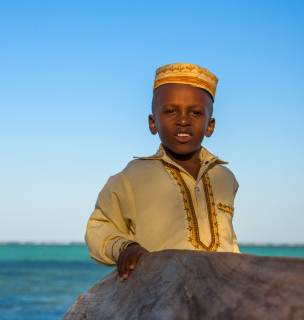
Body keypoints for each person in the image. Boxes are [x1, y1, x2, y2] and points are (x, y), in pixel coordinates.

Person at [85, 63, 239, 282]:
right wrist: (126, 248)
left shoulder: (225, 177)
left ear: (210, 126)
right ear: (153, 122)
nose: (183, 120)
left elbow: (229, 241)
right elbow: (99, 227)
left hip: (217, 296)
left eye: (195, 112)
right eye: (170, 111)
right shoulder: (132, 176)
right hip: (158, 297)